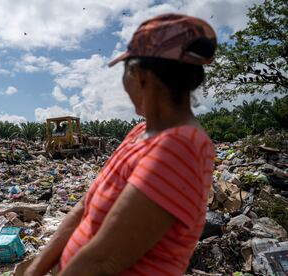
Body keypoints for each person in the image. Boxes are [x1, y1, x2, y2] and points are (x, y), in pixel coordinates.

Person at [24, 13, 217, 276]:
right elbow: (83, 208)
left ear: (140, 74)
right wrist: (34, 270)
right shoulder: (139, 132)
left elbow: (104, 260)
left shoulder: (180, 147)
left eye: (125, 72)